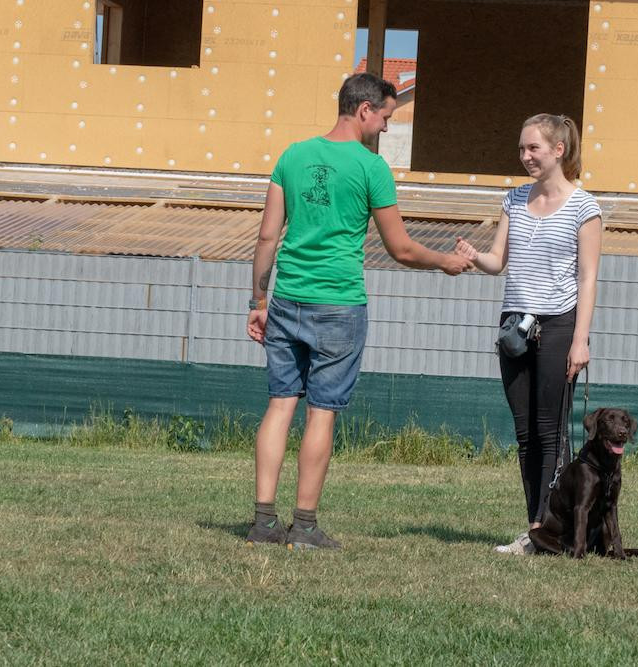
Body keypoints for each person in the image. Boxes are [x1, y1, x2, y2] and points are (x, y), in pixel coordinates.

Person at [245, 72, 472, 549]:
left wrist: (259, 302)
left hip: (287, 299)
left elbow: (267, 237)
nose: (386, 127)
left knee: (280, 405)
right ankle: (305, 527)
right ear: (365, 109)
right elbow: (401, 249)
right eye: (386, 117)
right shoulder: (371, 168)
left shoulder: (292, 156)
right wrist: (445, 262)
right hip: (339, 304)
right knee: (321, 413)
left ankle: (263, 522)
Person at [455, 113, 602, 555]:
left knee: (550, 431)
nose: (525, 156)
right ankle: (536, 526)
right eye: (521, 148)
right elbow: (498, 260)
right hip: (514, 326)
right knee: (525, 434)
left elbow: (588, 278)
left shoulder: (584, 207)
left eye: (533, 148)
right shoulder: (514, 199)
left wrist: (580, 339)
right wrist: (474, 256)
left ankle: (547, 530)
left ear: (559, 149)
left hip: (558, 324)